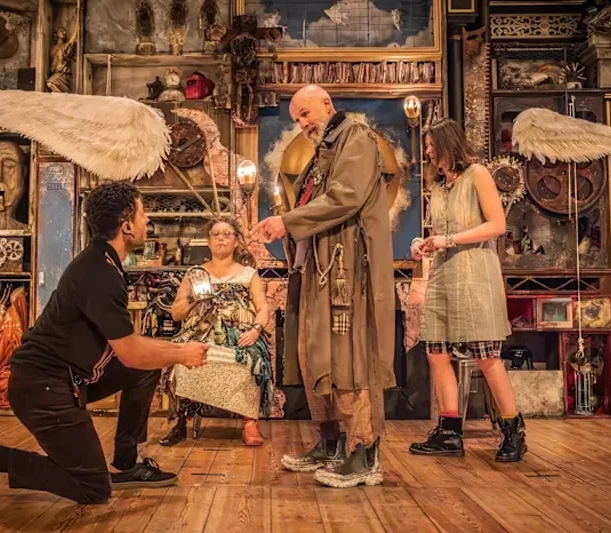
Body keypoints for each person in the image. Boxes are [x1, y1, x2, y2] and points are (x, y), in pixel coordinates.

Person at [0, 181, 210, 505]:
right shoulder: (99, 271)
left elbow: (134, 355)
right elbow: (131, 353)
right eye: (143, 214)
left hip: (66, 379)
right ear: (126, 227)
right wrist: (182, 353)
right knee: (93, 488)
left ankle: (127, 462)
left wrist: (171, 352)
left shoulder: (105, 262)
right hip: (42, 387)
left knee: (146, 370)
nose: (148, 221)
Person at [254, 84, 395, 488]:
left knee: (349, 359)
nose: (302, 124)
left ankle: (364, 453)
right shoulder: (323, 151)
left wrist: (287, 222)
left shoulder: (356, 138)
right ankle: (331, 443)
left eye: (306, 113)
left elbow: (345, 197)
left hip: (345, 270)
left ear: (327, 105)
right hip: (316, 270)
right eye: (296, 119)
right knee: (314, 356)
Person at [409, 118, 527, 462]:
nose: (428, 151)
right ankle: (449, 431)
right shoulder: (439, 186)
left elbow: (497, 225)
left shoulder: (478, 174)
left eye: (431, 145)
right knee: (436, 352)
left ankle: (513, 430)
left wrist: (448, 240)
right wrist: (422, 243)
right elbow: (439, 230)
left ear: (447, 144)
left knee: (487, 356)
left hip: (475, 275)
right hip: (444, 276)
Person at [159, 218, 272, 447]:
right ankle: (180, 421)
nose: (221, 238)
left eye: (227, 234)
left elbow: (263, 309)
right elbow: (176, 314)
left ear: (236, 242)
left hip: (239, 334)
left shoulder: (248, 274)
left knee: (252, 357)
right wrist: (194, 297)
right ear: (209, 242)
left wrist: (255, 331)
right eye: (215, 234)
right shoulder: (195, 273)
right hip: (201, 333)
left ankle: (249, 422)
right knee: (181, 357)